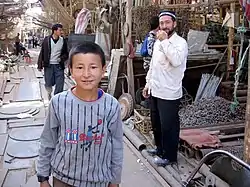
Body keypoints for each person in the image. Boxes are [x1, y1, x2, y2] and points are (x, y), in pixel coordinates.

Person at [37, 42, 123, 187]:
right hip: (63, 179)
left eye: (93, 67)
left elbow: (117, 145)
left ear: (103, 70)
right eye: (79, 67)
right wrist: (43, 176)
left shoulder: (112, 106)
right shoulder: (58, 102)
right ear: (70, 70)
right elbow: (47, 140)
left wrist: (115, 180)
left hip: (99, 181)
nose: (86, 74)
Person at [142, 11, 188, 166]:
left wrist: (165, 41)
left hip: (169, 92)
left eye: (167, 23)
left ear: (174, 24)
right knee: (157, 123)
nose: (164, 26)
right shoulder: (158, 42)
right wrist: (148, 84)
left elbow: (176, 60)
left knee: (169, 126)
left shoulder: (180, 43)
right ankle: (160, 149)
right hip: (156, 89)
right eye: (162, 23)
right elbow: (153, 66)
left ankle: (170, 156)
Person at [37, 24, 68, 100]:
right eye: (60, 30)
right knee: (48, 83)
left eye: (61, 30)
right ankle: (49, 92)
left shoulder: (63, 40)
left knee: (60, 83)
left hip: (59, 65)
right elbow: (42, 52)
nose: (61, 32)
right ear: (54, 31)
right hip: (49, 65)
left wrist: (61, 58)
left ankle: (57, 98)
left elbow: (66, 53)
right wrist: (40, 65)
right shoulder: (47, 40)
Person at [140, 16, 159, 108]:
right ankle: (148, 103)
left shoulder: (150, 35)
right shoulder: (152, 36)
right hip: (150, 64)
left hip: (149, 64)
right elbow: (151, 52)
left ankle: (149, 102)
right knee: (151, 83)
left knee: (151, 82)